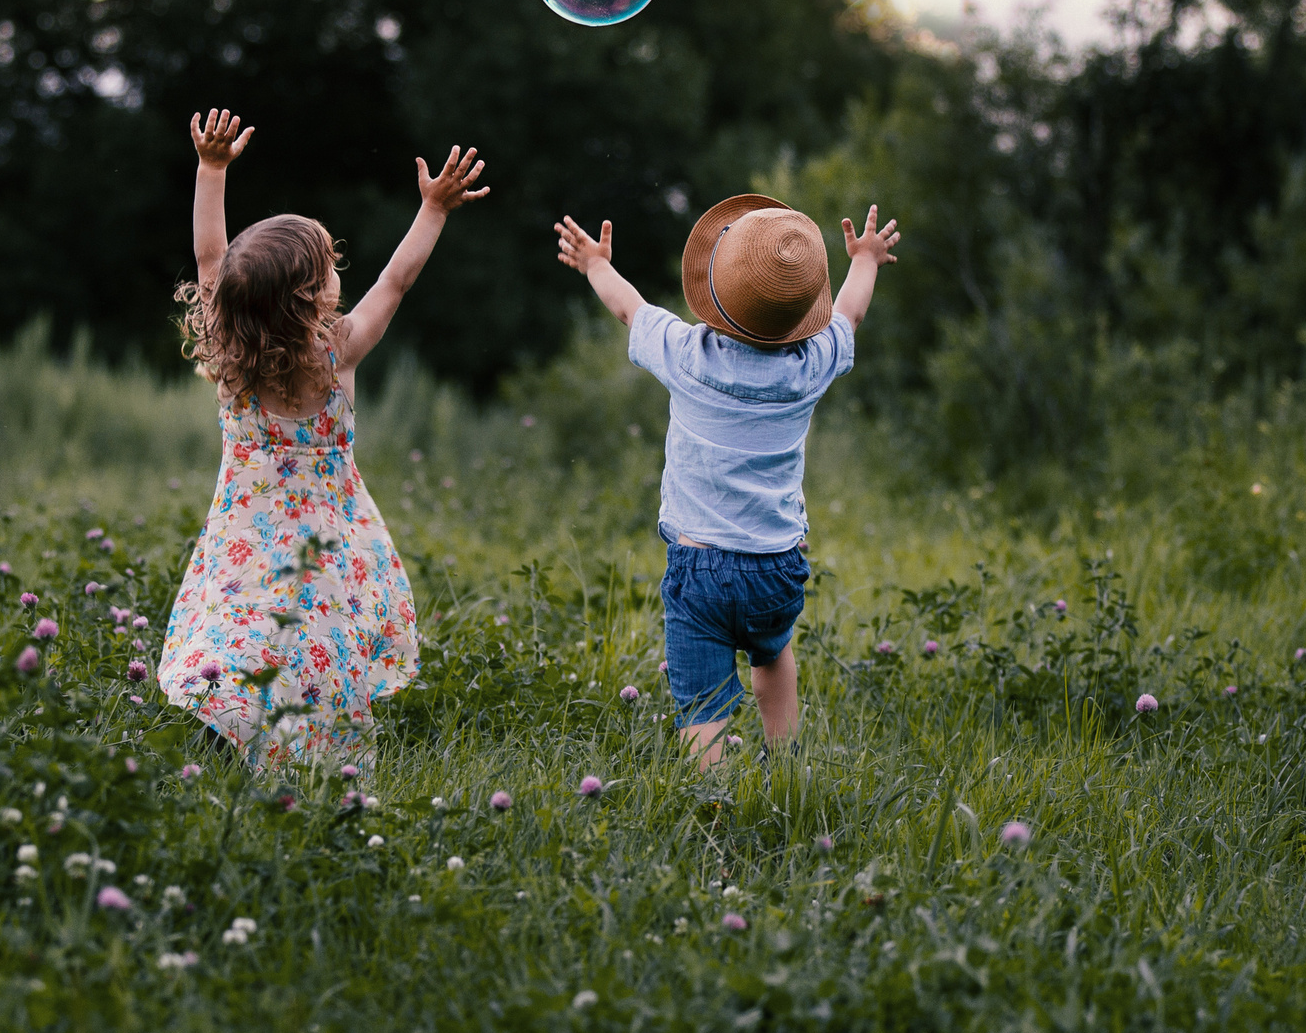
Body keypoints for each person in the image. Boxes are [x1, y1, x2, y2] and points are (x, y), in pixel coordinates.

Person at [158, 108, 490, 773]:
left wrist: (211, 169)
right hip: (325, 550)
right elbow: (396, 280)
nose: (341, 271)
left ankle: (226, 726)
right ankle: (303, 756)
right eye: (330, 267)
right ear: (310, 299)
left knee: (242, 628)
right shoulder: (336, 355)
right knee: (316, 644)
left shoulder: (233, 352)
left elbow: (208, 256)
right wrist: (433, 210)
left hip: (243, 543)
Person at [553, 194, 900, 766]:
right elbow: (851, 314)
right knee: (773, 653)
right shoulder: (810, 367)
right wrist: (864, 259)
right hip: (776, 565)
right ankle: (786, 764)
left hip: (702, 571)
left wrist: (596, 264)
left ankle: (713, 806)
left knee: (702, 705)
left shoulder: (688, 355)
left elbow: (629, 310)